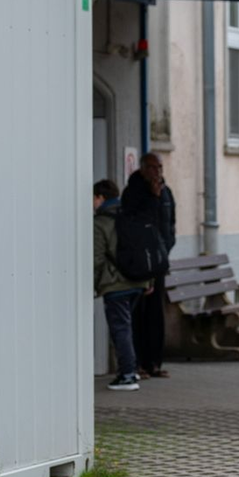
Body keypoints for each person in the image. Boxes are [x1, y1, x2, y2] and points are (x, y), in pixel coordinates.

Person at [94, 179, 152, 391]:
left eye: (93, 198)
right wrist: (149, 280)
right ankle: (132, 368)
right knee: (127, 327)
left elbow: (97, 258)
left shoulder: (100, 222)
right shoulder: (132, 213)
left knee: (120, 329)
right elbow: (147, 246)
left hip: (115, 283)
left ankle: (127, 375)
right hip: (138, 280)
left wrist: (94, 284)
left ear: (100, 197)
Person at [122, 153, 176, 379]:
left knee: (156, 315)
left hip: (159, 262)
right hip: (140, 263)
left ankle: (154, 362)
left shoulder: (166, 192)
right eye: (153, 167)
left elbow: (169, 223)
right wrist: (152, 198)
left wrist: (166, 249)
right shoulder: (135, 190)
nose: (158, 172)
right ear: (143, 168)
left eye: (160, 167)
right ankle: (138, 365)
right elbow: (135, 222)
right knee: (139, 316)